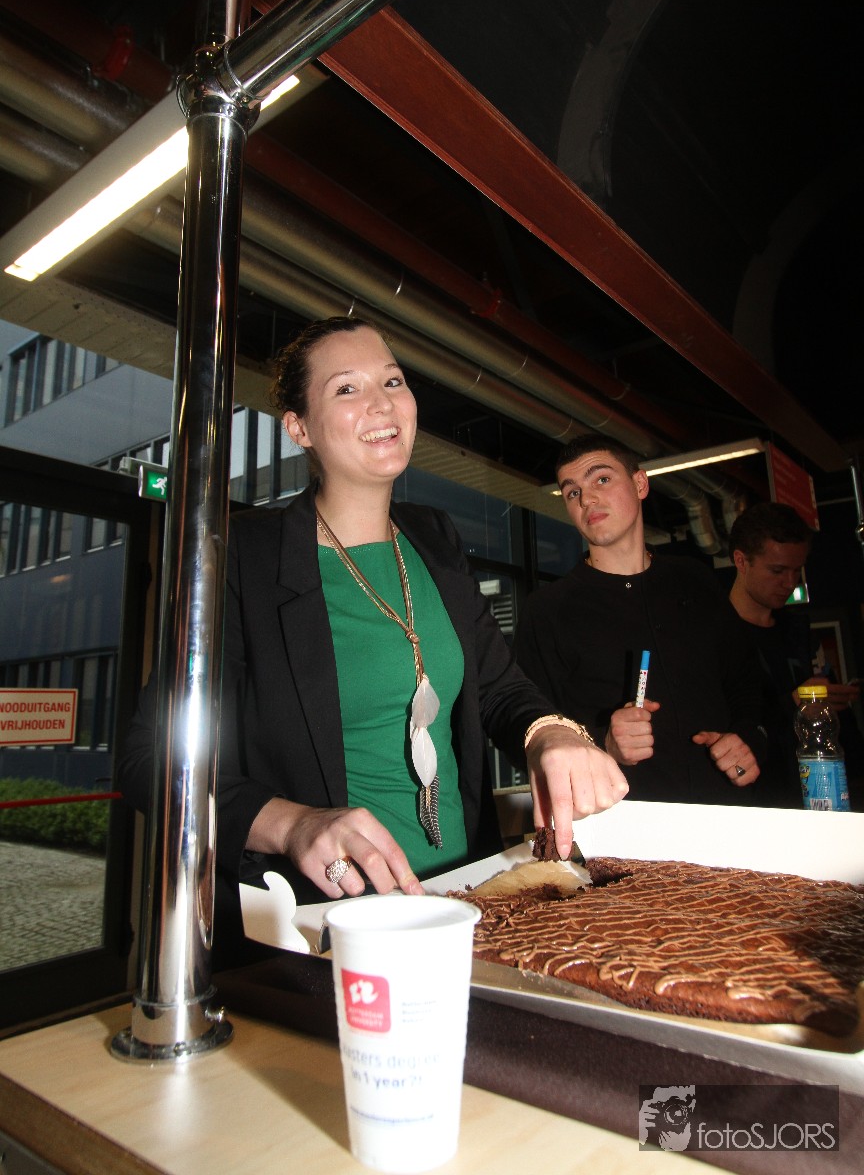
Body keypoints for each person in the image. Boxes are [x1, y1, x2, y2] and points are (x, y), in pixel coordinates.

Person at [120, 317, 627, 965]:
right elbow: (148, 759)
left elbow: (499, 687)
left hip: (465, 903)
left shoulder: (434, 538)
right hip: (328, 927)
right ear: (299, 427)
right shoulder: (244, 559)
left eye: (392, 381)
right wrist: (293, 823)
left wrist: (549, 733)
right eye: (347, 389)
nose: (382, 403)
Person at [514, 435, 765, 803]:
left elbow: (750, 688)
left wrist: (747, 739)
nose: (586, 499)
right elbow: (525, 728)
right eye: (572, 492)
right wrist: (603, 742)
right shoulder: (547, 610)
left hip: (727, 812)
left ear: (640, 484)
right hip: (621, 822)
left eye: (602, 479)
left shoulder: (696, 581)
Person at [727, 501, 861, 806]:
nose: (790, 582)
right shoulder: (715, 637)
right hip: (756, 802)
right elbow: (721, 726)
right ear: (741, 561)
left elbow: (841, 731)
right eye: (777, 570)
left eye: (796, 570)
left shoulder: (800, 634)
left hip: (821, 795)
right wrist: (792, 704)